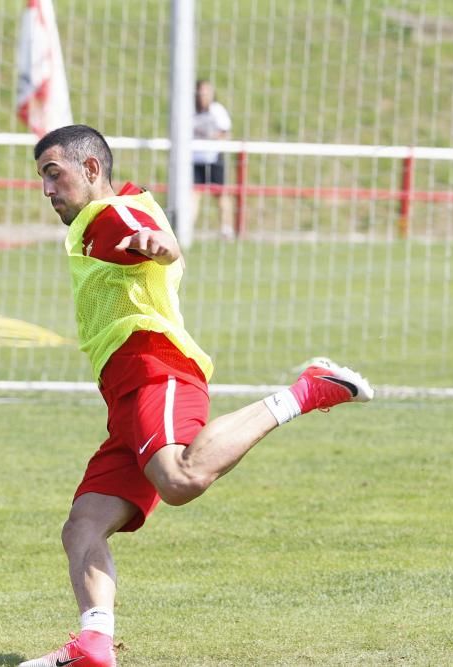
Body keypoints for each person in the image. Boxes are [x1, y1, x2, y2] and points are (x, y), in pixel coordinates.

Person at [22, 125, 374, 667]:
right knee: (84, 524)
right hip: (125, 395)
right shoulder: (109, 215)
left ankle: (308, 391)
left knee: (180, 477)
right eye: (42, 177)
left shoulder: (112, 214)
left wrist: (163, 247)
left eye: (53, 173)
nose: (46, 189)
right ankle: (93, 646)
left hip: (156, 368)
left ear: (91, 170)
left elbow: (153, 236)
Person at [191, 79, 234, 240]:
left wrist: (213, 137)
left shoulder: (217, 111)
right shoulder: (190, 110)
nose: (204, 96)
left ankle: (226, 229)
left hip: (214, 158)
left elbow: (226, 133)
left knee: (221, 194)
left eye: (207, 92)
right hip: (195, 159)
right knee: (193, 195)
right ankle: (187, 230)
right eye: (201, 92)